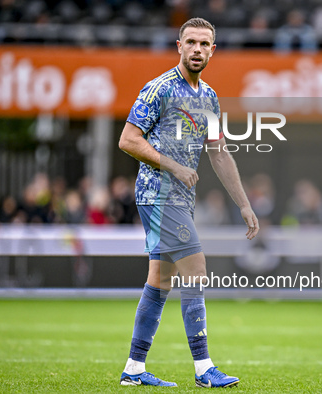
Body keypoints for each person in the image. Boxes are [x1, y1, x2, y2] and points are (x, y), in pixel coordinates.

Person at [118, 17, 259, 388]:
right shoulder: (158, 89)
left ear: (214, 50)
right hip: (159, 194)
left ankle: (133, 369)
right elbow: (128, 140)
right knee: (195, 267)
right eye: (191, 42)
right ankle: (204, 368)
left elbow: (219, 153)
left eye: (204, 44)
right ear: (178, 46)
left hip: (180, 196)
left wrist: (243, 204)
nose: (197, 49)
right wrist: (175, 166)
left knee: (160, 280)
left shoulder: (208, 97)